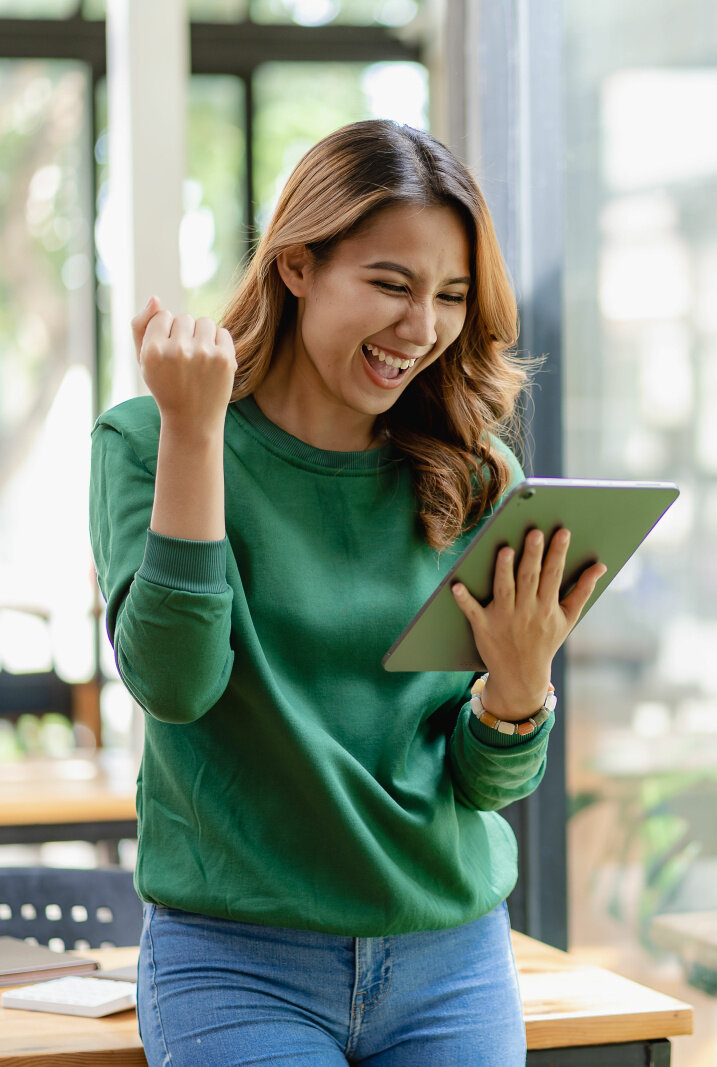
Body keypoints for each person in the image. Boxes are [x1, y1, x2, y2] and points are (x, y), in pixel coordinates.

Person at [89, 119, 606, 1066]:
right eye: (390, 284)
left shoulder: (473, 472)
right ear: (296, 265)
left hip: (450, 958)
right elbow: (174, 683)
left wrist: (520, 688)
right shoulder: (147, 441)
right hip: (236, 962)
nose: (422, 330)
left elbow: (480, 784)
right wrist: (194, 436)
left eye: (450, 296)